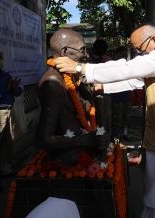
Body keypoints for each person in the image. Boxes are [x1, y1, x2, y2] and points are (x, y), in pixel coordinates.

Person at [54, 22, 155, 217]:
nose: (138, 54)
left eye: (139, 49)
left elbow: (127, 68)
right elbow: (131, 80)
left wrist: (81, 68)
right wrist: (103, 87)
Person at [36, 29, 110, 163]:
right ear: (65, 52)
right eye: (83, 50)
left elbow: (89, 110)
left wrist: (96, 96)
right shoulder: (54, 83)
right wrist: (85, 140)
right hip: (67, 162)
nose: (87, 56)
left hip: (85, 154)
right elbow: (43, 139)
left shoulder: (73, 78)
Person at [0, 47, 23, 192]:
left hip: (10, 111)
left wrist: (14, 87)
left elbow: (17, 92)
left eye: (0, 57)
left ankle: (5, 170)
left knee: (8, 144)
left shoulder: (5, 75)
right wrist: (7, 88)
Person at [88, 39, 112, 134]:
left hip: (104, 94)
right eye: (98, 53)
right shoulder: (85, 59)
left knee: (105, 116)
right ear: (93, 49)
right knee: (90, 116)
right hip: (89, 94)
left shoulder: (107, 60)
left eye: (102, 54)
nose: (100, 56)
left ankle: (107, 137)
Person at [110, 46, 133, 141]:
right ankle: (116, 140)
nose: (124, 56)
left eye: (125, 54)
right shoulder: (111, 65)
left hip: (127, 97)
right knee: (116, 120)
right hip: (116, 97)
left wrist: (137, 97)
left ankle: (121, 138)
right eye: (122, 54)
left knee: (125, 119)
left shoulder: (128, 65)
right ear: (116, 54)